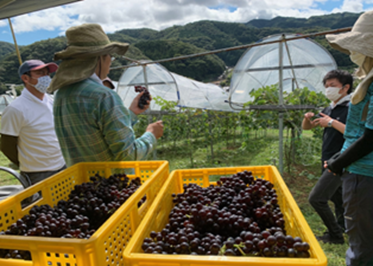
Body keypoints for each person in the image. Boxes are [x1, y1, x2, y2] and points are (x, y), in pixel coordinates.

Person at [48, 23, 163, 166]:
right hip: (111, 184)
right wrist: (151, 134)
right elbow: (129, 154)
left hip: (81, 183)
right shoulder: (104, 96)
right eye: (110, 56)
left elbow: (96, 131)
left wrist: (131, 113)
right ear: (100, 57)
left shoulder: (61, 94)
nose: (110, 62)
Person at [325, 10, 373, 266]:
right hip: (361, 168)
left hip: (364, 174)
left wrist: (338, 163)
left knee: (361, 248)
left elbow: (371, 137)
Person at [302, 70, 352, 245]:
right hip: (328, 158)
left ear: (346, 87)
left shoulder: (351, 108)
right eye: (326, 86)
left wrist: (331, 122)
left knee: (317, 198)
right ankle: (343, 226)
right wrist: (307, 119)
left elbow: (354, 133)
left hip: (341, 160)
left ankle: (336, 235)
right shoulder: (329, 108)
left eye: (333, 86)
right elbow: (308, 128)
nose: (328, 89)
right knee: (337, 197)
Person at [0, 60, 66, 185]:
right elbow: (6, 145)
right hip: (37, 172)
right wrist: (26, 161)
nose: (46, 78)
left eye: (47, 74)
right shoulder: (16, 109)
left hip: (62, 165)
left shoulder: (50, 101)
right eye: (40, 73)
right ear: (26, 78)